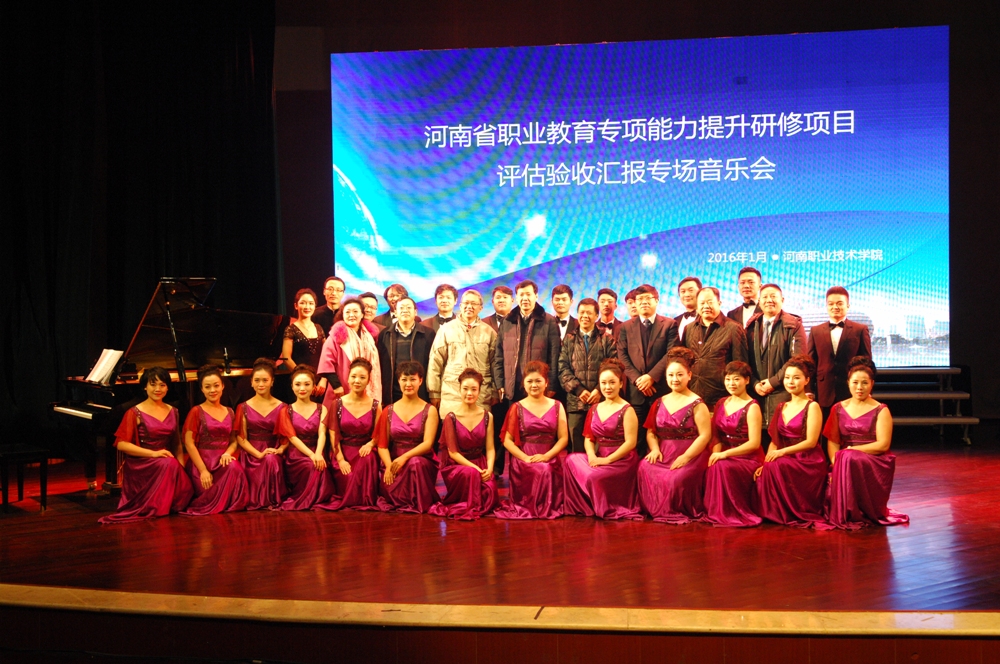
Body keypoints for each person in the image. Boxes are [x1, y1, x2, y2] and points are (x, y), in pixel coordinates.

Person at [98, 367, 193, 523]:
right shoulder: (134, 412)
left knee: (183, 480)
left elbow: (176, 443)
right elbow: (121, 445)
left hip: (166, 461)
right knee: (168, 463)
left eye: (162, 385)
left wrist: (181, 469)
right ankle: (157, 506)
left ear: (167, 388)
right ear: (145, 387)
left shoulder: (173, 411)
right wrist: (154, 454)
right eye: (153, 384)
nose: (157, 389)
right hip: (143, 462)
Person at [824, 357, 909, 529]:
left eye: (864, 383)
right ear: (848, 383)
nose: (859, 387)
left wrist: (852, 450)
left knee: (848, 456)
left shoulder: (881, 410)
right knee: (846, 458)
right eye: (855, 382)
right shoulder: (838, 408)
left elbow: (883, 445)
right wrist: (837, 464)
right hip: (845, 461)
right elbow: (833, 442)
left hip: (873, 459)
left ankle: (859, 511)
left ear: (872, 384)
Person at [637, 347, 711, 524]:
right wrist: (654, 449)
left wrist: (686, 457)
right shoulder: (659, 402)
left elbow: (705, 435)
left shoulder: (697, 403)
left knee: (676, 478)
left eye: (679, 375)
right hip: (664, 452)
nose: (675, 379)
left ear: (689, 375)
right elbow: (651, 432)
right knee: (644, 467)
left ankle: (674, 510)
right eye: (670, 375)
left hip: (691, 453)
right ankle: (655, 510)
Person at [753, 354, 829, 528]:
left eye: (796, 378)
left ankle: (787, 512)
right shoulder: (781, 406)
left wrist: (781, 452)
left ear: (806, 380)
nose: (790, 382)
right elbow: (775, 441)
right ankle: (776, 513)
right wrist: (766, 462)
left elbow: (811, 442)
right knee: (767, 468)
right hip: (785, 456)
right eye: (787, 377)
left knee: (777, 464)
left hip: (807, 460)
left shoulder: (812, 406)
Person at [562, 359, 643, 520]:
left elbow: (630, 443)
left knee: (593, 477)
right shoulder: (594, 408)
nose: (608, 387)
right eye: (603, 383)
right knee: (570, 460)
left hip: (621, 460)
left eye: (612, 383)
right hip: (599, 456)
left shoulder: (627, 410)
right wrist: (592, 456)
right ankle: (583, 505)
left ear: (621, 384)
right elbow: (589, 438)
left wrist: (607, 460)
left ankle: (604, 505)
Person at [495, 361, 569, 519]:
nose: (534, 385)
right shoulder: (516, 407)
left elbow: (563, 438)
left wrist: (547, 456)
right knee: (542, 469)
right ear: (524, 383)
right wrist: (525, 458)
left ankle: (547, 506)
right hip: (524, 459)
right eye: (529, 381)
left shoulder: (557, 406)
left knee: (546, 468)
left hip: (549, 457)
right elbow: (507, 440)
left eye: (538, 381)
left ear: (546, 382)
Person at [616, 284, 677, 456]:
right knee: (636, 437)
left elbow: (671, 353)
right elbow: (622, 356)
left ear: (656, 300)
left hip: (660, 389)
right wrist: (638, 380)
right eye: (639, 299)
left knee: (661, 434)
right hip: (635, 391)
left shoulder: (670, 325)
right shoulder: (626, 327)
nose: (643, 302)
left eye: (648, 298)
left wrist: (651, 377)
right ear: (635, 302)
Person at [429, 368, 499, 519]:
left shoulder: (487, 416)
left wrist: (489, 469)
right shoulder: (451, 417)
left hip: (480, 463)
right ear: (459, 389)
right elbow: (453, 453)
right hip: (457, 465)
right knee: (472, 474)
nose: (469, 393)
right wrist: (476, 469)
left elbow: (490, 448)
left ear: (479, 391)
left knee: (489, 492)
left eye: (474, 389)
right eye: (465, 389)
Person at [180, 365, 249, 515]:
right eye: (207, 387)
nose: (212, 390)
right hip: (202, 464)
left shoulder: (230, 412)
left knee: (235, 467)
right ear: (202, 389)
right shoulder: (196, 411)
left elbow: (234, 441)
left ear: (223, 386)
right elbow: (189, 443)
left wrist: (228, 453)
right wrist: (203, 470)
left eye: (216, 385)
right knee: (207, 493)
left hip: (221, 462)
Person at [703, 361, 764, 527]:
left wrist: (724, 454)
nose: (732, 383)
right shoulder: (721, 402)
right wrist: (715, 454)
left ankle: (730, 513)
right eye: (728, 379)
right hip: (725, 452)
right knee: (712, 463)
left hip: (747, 457)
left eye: (736, 379)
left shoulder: (752, 407)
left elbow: (754, 443)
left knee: (721, 465)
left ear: (747, 380)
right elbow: (716, 436)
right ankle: (717, 511)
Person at [375, 361, 441, 513]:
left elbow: (428, 443)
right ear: (398, 381)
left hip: (421, 461)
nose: (408, 384)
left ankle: (419, 500)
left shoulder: (430, 410)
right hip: (394, 463)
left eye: (413, 379)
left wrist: (405, 458)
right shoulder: (388, 410)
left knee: (415, 463)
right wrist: (389, 466)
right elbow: (382, 445)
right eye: (404, 379)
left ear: (420, 381)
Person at [319, 358, 382, 511]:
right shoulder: (337, 404)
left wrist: (370, 444)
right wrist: (341, 460)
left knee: (368, 458)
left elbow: (379, 433)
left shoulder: (376, 405)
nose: (357, 381)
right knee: (348, 476)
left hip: (364, 452)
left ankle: (365, 500)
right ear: (347, 378)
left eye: (362, 377)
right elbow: (333, 435)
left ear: (368, 381)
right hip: (342, 452)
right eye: (353, 376)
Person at [559, 298, 617, 453]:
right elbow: (563, 369)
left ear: (597, 316)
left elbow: (614, 367)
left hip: (601, 400)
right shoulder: (569, 339)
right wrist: (578, 390)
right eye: (582, 312)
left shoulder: (607, 339)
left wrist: (599, 390)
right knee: (576, 446)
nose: (585, 316)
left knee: (600, 445)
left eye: (589, 313)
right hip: (576, 401)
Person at [427, 289, 497, 416]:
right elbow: (435, 362)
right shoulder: (446, 330)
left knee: (479, 426)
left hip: (481, 395)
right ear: (460, 306)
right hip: (452, 395)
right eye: (466, 303)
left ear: (481, 308)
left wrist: (495, 392)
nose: (469, 306)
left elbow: (495, 365)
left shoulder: (489, 332)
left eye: (473, 304)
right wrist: (434, 392)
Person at [276, 365, 337, 510]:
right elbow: (292, 438)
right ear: (292, 387)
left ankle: (319, 498)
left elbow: (322, 434)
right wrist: (312, 455)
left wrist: (318, 453)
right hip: (296, 454)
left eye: (307, 384)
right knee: (311, 465)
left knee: (319, 464)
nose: (302, 388)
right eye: (298, 384)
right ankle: (306, 498)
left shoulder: (322, 408)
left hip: (317, 449)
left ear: (314, 386)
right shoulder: (286, 410)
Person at [745, 284, 806, 427]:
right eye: (765, 297)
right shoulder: (751, 326)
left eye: (773, 296)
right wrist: (754, 383)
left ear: (782, 300)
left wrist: (773, 382)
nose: (769, 300)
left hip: (784, 394)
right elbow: (744, 359)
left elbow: (797, 360)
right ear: (759, 301)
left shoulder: (793, 325)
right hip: (756, 396)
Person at [493, 279, 560, 405]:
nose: (525, 298)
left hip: (537, 386)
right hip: (512, 387)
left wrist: (551, 385)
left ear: (536, 296)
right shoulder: (507, 321)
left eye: (528, 294)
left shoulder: (549, 321)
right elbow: (499, 356)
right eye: (521, 295)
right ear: (516, 298)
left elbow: (554, 356)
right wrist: (499, 383)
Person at [807, 286, 873, 411]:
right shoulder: (815, 331)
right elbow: (811, 363)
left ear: (848, 306)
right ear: (826, 306)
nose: (835, 307)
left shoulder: (860, 329)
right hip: (824, 392)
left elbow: (867, 363)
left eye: (839, 303)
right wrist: (809, 389)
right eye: (831, 304)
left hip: (851, 392)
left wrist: (868, 389)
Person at [235, 358, 288, 511]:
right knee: (266, 459)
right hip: (251, 454)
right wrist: (258, 454)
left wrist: (280, 450)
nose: (261, 384)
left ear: (272, 382)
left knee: (271, 459)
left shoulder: (282, 407)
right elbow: (241, 438)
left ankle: (271, 499)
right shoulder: (243, 407)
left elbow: (287, 437)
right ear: (251, 382)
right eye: (257, 380)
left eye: (265, 380)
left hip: (273, 450)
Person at [684, 287, 748, 408]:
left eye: (710, 302)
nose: (706, 306)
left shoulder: (733, 328)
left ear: (719, 303)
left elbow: (741, 365)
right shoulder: (689, 329)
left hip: (721, 398)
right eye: (702, 303)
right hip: (691, 396)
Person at [318, 298, 382, 407]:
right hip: (343, 388)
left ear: (362, 314)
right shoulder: (337, 336)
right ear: (342, 315)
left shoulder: (369, 336)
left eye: (355, 311)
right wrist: (336, 385)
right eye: (347, 312)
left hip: (367, 386)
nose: (351, 315)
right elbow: (326, 363)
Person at [375, 296, 433, 404]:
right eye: (401, 308)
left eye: (408, 307)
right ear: (395, 312)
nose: (405, 310)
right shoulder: (385, 334)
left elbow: (432, 365)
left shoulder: (428, 334)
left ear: (415, 312)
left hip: (420, 391)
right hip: (393, 392)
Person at [281, 288, 328, 397]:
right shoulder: (290, 329)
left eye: (311, 303)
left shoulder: (319, 328)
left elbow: (327, 356)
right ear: (296, 306)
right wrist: (305, 380)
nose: (307, 307)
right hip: (299, 383)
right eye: (303, 303)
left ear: (315, 306)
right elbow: (286, 358)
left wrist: (324, 380)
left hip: (320, 385)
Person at [674, 277, 702, 341]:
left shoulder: (707, 318)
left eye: (691, 290)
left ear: (700, 292)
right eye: (683, 291)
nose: (686, 295)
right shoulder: (675, 321)